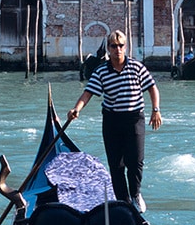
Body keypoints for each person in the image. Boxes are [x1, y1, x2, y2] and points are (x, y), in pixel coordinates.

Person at [67, 30, 161, 212]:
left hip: (134, 118)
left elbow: (152, 88)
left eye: (121, 45)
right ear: (108, 49)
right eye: (114, 46)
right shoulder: (101, 71)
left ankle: (135, 194)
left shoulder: (137, 67)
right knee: (116, 165)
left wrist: (155, 110)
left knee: (136, 161)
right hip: (112, 120)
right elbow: (88, 93)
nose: (117, 49)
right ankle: (123, 203)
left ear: (125, 47)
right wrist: (76, 109)